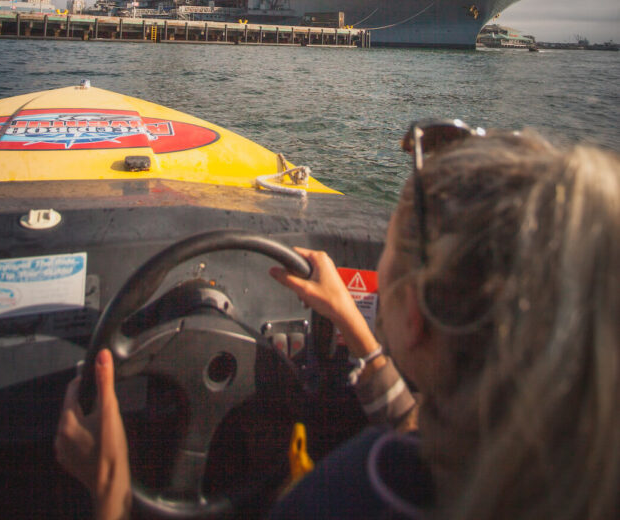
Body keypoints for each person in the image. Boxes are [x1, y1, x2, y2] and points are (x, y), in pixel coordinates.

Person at [55, 122, 620, 520]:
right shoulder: (518, 461)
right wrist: (351, 320)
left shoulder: (351, 496)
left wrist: (111, 496)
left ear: (415, 322)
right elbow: (417, 428)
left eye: (391, 253)